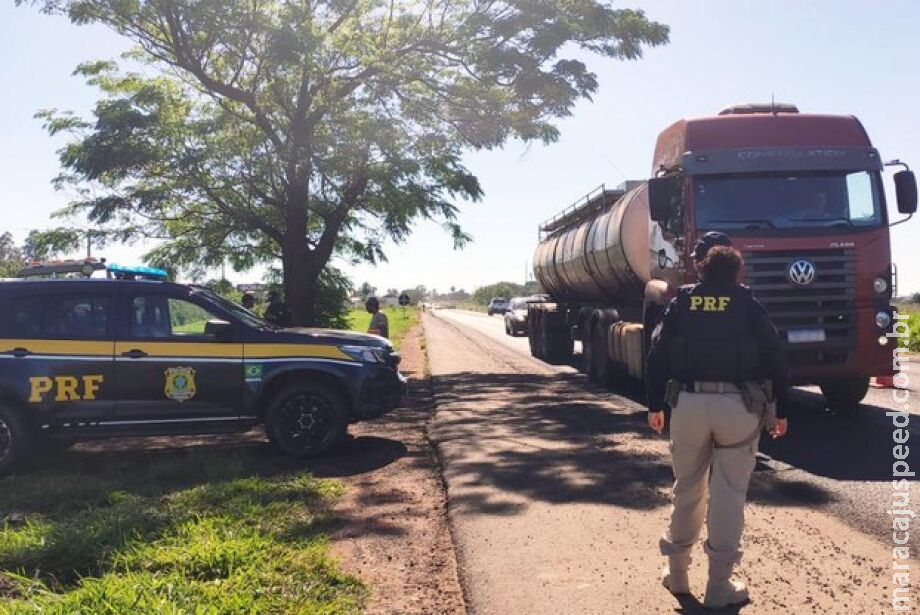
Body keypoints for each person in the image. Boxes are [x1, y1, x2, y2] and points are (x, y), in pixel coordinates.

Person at [645, 231, 789, 609]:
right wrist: (781, 409)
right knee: (728, 495)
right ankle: (718, 586)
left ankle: (677, 577)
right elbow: (776, 357)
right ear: (737, 272)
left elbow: (656, 353)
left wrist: (653, 405)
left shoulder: (682, 302)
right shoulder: (748, 304)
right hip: (737, 409)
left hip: (689, 405)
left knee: (687, 488)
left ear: (703, 267)